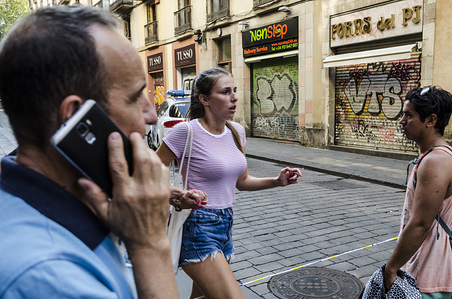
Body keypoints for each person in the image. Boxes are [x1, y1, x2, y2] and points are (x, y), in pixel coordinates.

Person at [0, 6, 179, 298]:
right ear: (76, 119)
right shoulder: (48, 276)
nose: (152, 115)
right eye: (136, 97)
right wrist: (149, 245)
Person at [156, 67, 303, 298]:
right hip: (198, 227)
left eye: (234, 90)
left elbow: (242, 181)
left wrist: (277, 181)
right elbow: (145, 174)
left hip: (225, 224)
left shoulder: (236, 131)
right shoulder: (186, 132)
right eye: (225, 92)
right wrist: (175, 196)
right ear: (204, 99)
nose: (234, 97)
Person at [383, 86, 452, 298]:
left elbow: (420, 225)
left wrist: (391, 269)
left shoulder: (436, 161)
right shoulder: (438, 156)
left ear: (431, 120)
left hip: (431, 276)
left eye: (408, 115)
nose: (401, 121)